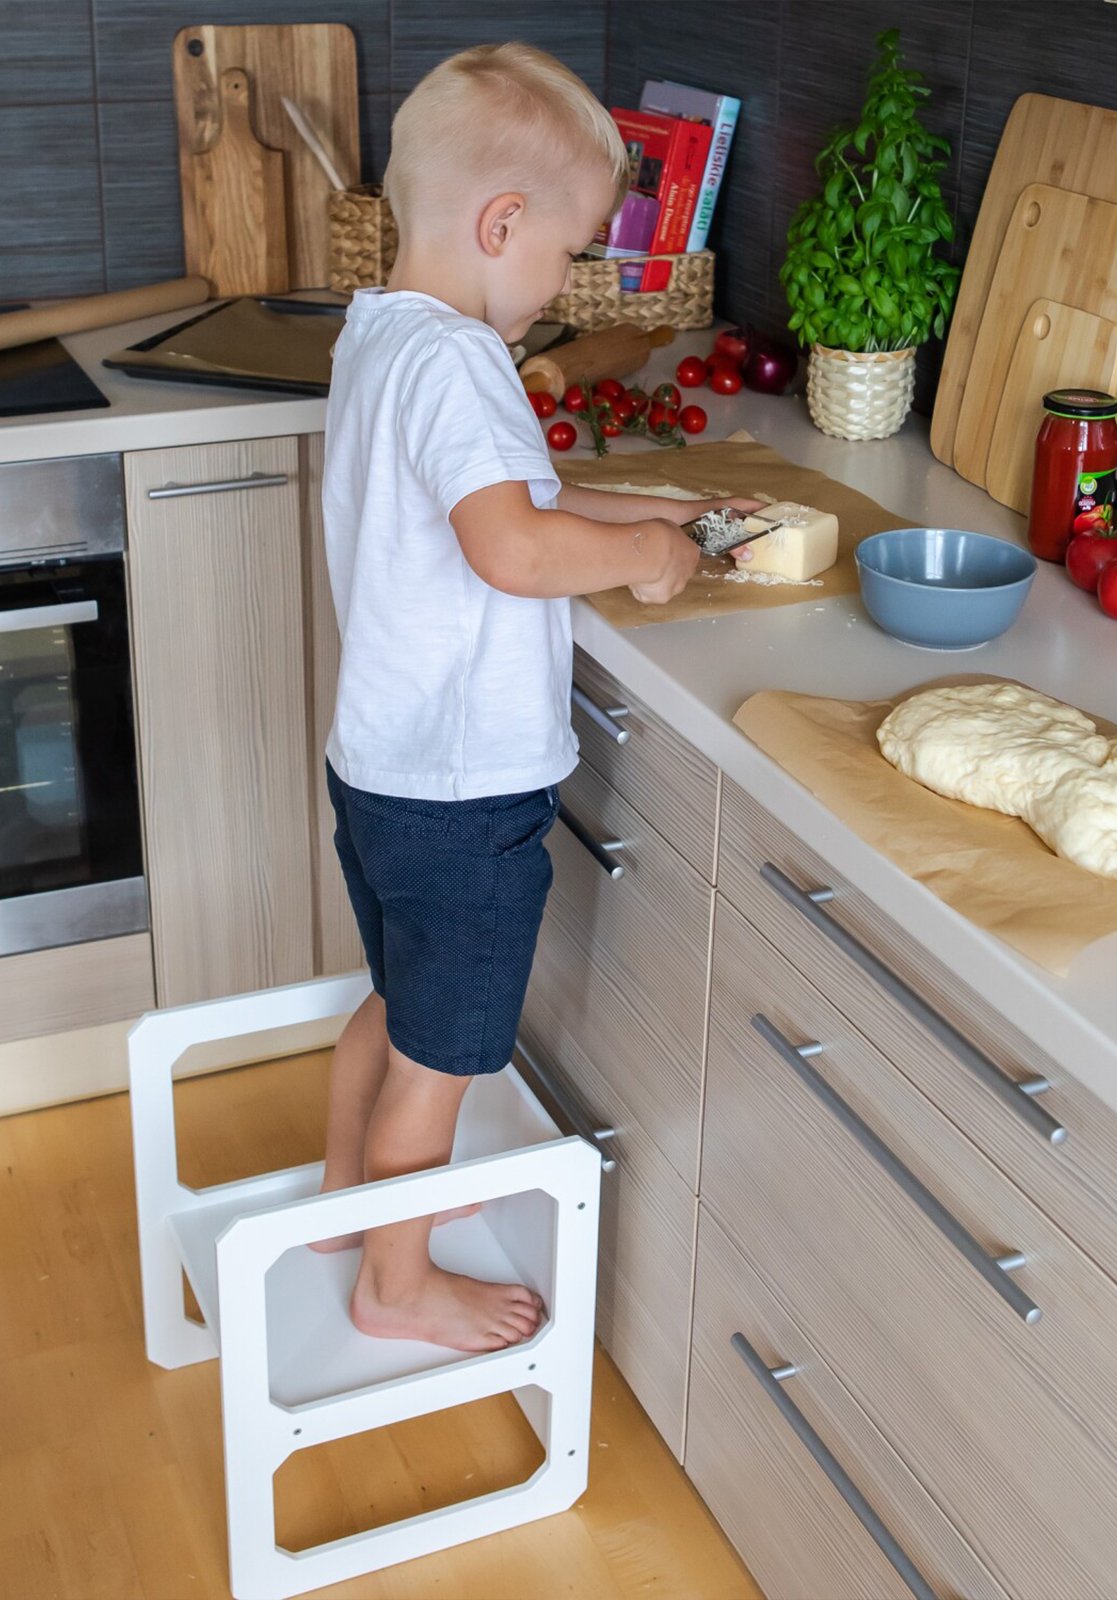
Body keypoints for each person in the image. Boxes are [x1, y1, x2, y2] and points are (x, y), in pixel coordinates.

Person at [318, 40, 756, 1353]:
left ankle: (346, 1200)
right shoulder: (464, 364)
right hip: (464, 797)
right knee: (444, 1057)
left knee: (398, 1005)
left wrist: (660, 504)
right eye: (567, 254)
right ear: (499, 224)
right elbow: (511, 546)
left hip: (383, 770)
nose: (568, 283)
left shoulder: (385, 334)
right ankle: (395, 1281)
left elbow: (514, 499)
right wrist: (648, 559)